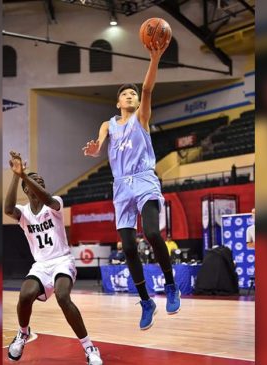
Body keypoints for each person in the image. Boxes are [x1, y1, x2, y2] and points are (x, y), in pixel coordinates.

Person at [82, 39, 180, 330]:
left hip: (145, 180)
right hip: (121, 187)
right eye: (124, 94)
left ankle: (171, 286)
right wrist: (94, 149)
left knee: (150, 231)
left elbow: (148, 88)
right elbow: (99, 145)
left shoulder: (142, 118)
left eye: (132, 94)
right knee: (127, 247)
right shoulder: (108, 123)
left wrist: (154, 59)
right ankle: (146, 301)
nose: (129, 95)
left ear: (137, 103)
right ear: (117, 102)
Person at [4, 151, 102, 364]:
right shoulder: (24, 213)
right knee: (24, 295)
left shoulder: (54, 203)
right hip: (41, 265)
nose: (39, 181)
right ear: (26, 190)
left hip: (62, 260)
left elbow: (46, 197)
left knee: (63, 296)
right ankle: (22, 333)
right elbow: (8, 209)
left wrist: (24, 176)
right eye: (33, 181)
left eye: (41, 180)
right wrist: (15, 175)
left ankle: (89, 347)